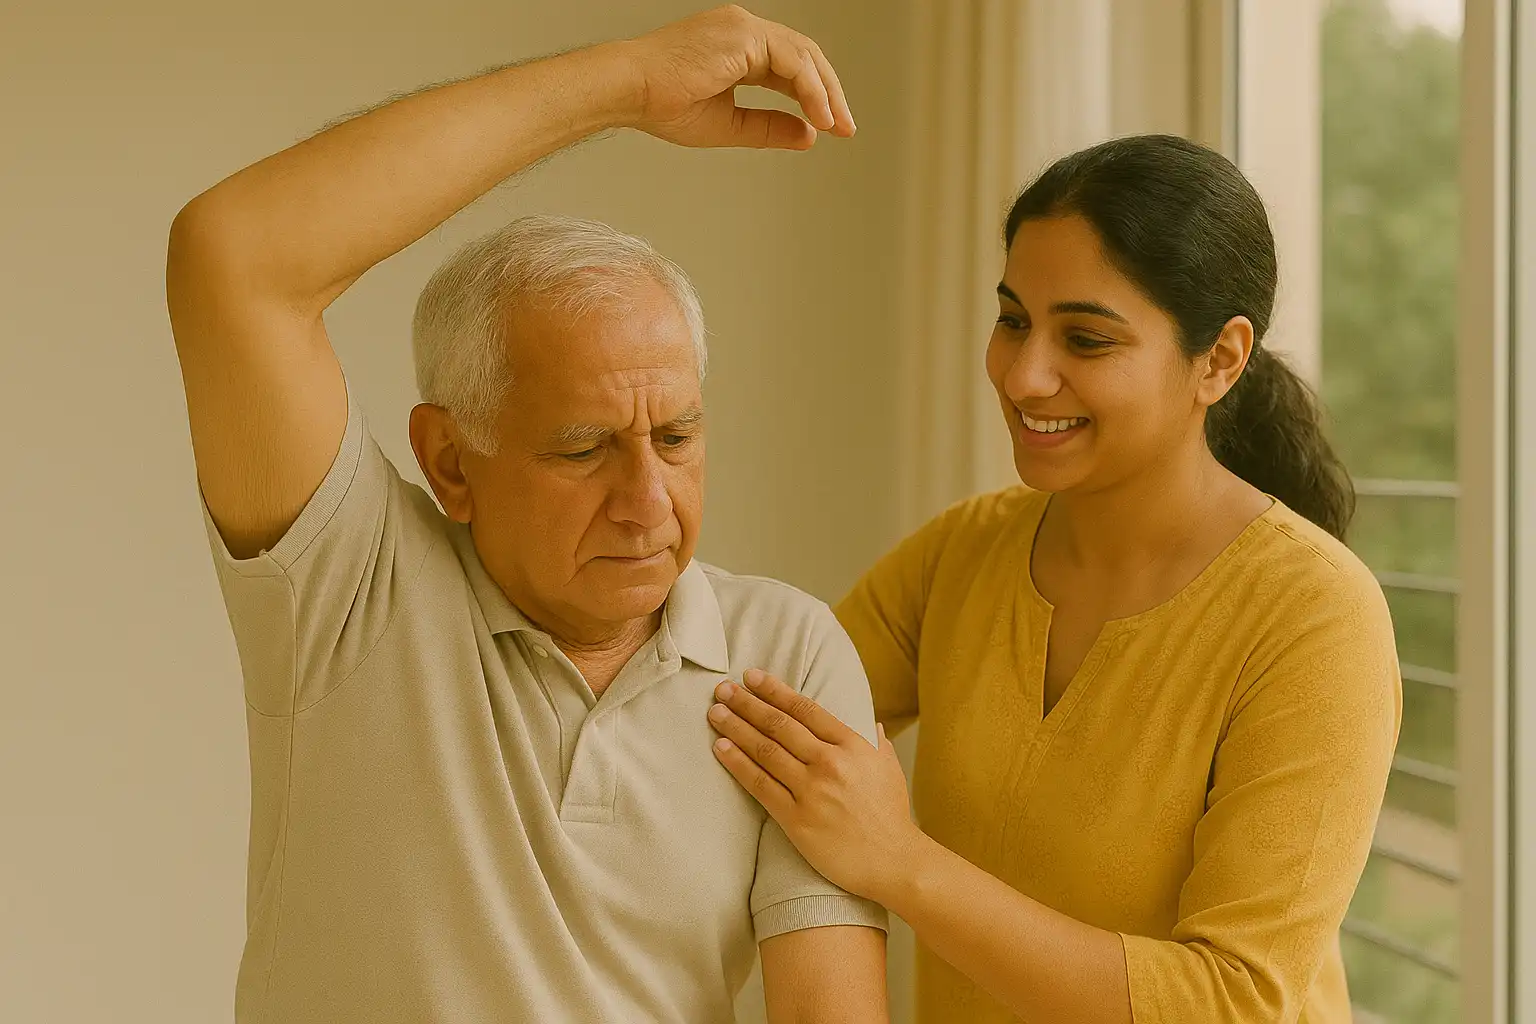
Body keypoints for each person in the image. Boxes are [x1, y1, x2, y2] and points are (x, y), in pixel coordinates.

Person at [164, 7, 889, 1023]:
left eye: (677, 437)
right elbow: (231, 253)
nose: (649, 503)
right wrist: (629, 84)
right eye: (583, 449)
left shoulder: (786, 653)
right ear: (449, 461)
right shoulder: (348, 587)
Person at [705, 134, 1403, 1024]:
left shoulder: (1317, 618)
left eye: (1086, 337)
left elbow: (1233, 1001)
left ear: (1221, 360)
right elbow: (756, 725)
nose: (1024, 374)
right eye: (1011, 320)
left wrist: (900, 860)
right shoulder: (963, 554)